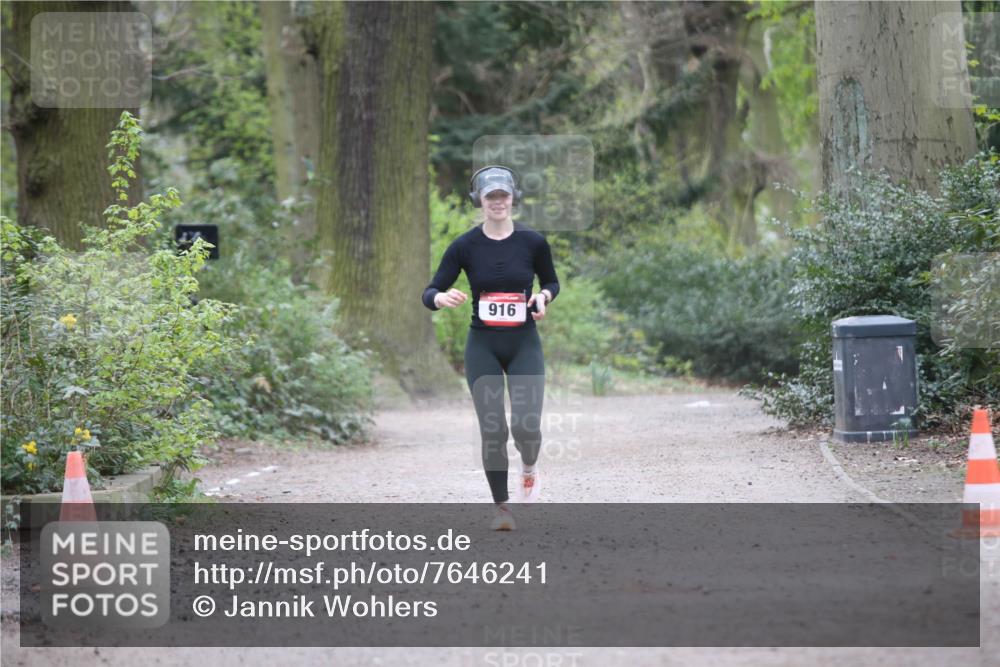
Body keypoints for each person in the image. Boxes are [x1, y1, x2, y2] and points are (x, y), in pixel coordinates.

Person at [422, 165, 560, 530]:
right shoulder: (464, 246)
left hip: (523, 343)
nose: (498, 202)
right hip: (482, 344)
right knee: (493, 428)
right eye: (490, 196)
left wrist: (543, 297)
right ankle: (502, 507)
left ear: (513, 198)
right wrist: (441, 298)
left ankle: (529, 468)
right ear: (479, 201)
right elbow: (430, 290)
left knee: (526, 426)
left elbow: (551, 282)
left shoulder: (533, 242)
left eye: (504, 195)